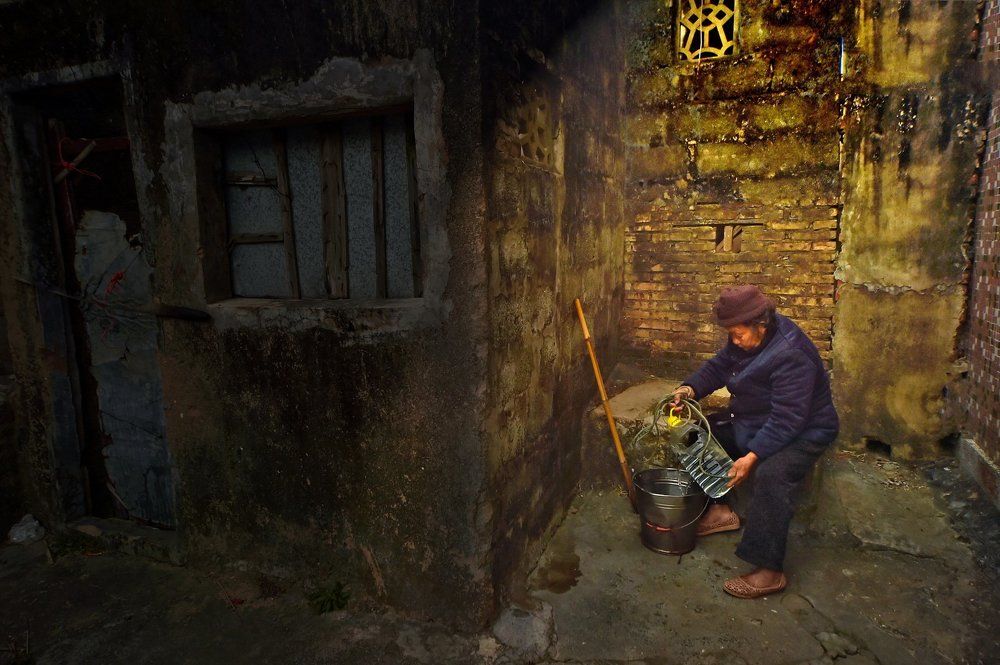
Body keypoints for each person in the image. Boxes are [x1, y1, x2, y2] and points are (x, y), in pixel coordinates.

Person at [671, 284, 838, 599]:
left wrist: (753, 456)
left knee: (772, 474)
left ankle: (769, 571)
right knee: (700, 437)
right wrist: (689, 389)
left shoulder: (791, 354)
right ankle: (721, 511)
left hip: (804, 430)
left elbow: (788, 419)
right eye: (731, 334)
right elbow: (720, 366)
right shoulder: (746, 338)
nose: (734, 340)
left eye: (738, 334)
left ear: (760, 324)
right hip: (756, 420)